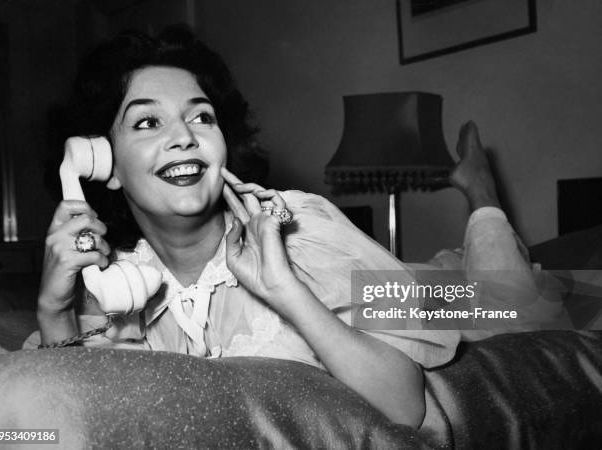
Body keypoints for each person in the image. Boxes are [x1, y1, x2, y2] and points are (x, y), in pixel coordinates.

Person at [28, 26, 557, 428]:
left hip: (406, 293)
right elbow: (91, 419)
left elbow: (404, 407)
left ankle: (481, 194)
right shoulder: (122, 285)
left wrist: (285, 290)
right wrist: (53, 309)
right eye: (147, 121)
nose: (184, 137)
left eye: (201, 116)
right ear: (105, 165)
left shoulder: (298, 223)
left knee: (511, 302)